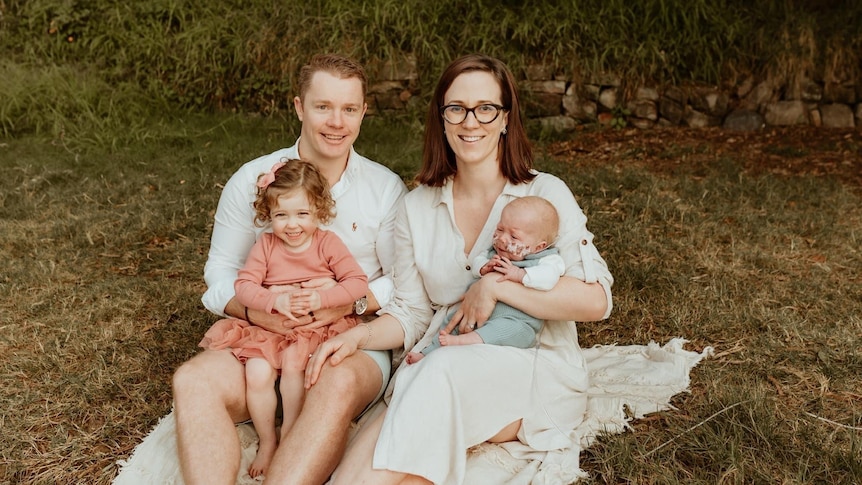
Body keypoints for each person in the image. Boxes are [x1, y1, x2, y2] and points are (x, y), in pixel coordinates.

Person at [306, 53, 614, 485]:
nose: (471, 122)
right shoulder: (415, 207)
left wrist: (496, 289)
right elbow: (412, 313)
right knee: (381, 442)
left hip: (531, 369)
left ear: (506, 118)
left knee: (428, 390)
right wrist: (358, 334)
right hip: (436, 366)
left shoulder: (544, 194)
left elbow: (597, 300)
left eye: (486, 108)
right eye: (457, 109)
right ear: (442, 119)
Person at [171, 54, 408, 484]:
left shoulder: (385, 188)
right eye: (323, 107)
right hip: (262, 335)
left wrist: (345, 304)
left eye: (349, 109)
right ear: (299, 107)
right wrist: (255, 312)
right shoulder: (253, 179)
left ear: (363, 112)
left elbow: (404, 281)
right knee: (191, 380)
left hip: (347, 337)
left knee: (332, 386)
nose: (337, 122)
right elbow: (220, 271)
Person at [197, 160, 369, 478]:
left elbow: (357, 283)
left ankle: (291, 433)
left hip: (314, 328)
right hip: (273, 327)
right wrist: (273, 299)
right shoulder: (267, 245)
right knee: (257, 371)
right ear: (269, 215)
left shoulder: (327, 243)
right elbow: (244, 286)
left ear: (319, 210)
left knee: (294, 366)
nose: (292, 225)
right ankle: (267, 440)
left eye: (302, 214)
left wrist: (323, 297)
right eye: (281, 215)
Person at [405, 196, 565, 364]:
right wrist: (484, 267)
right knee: (451, 321)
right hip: (476, 313)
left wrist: (520, 274)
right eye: (500, 229)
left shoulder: (546, 259)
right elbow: (477, 263)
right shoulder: (495, 252)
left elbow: (549, 277)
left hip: (516, 321)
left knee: (508, 330)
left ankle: (463, 342)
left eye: (514, 237)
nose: (502, 239)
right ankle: (428, 352)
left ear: (538, 246)